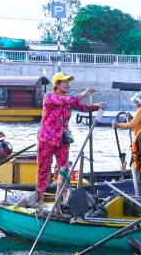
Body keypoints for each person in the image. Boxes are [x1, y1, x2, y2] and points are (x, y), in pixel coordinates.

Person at [36, 72, 103, 205]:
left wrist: (97, 106)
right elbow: (68, 100)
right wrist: (83, 93)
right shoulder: (49, 97)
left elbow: (83, 108)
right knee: (44, 168)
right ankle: (40, 198)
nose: (67, 84)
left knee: (64, 167)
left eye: (68, 82)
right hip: (47, 138)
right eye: (64, 82)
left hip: (62, 139)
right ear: (57, 84)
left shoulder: (68, 100)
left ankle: (61, 197)